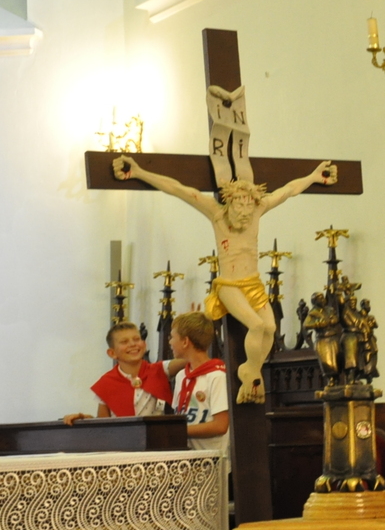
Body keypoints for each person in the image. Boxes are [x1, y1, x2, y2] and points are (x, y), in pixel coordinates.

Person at [111, 154, 337, 402]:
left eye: (249, 206)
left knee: (270, 328)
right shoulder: (216, 214)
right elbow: (178, 189)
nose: (245, 212)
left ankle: (251, 370)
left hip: (253, 284)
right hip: (229, 284)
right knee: (257, 325)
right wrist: (139, 172)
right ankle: (251, 372)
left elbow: (288, 190)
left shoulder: (257, 210)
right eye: (239, 206)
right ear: (229, 202)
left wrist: (313, 177)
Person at [64, 322, 174, 425]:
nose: (132, 344)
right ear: (112, 353)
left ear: (144, 345)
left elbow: (184, 360)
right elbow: (103, 425)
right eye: (124, 342)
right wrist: (85, 419)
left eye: (136, 339)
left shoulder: (161, 369)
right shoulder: (106, 383)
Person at [168, 312, 230, 453]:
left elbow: (220, 426)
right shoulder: (181, 376)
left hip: (212, 456)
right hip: (184, 454)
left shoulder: (217, 376)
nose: (170, 342)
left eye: (172, 337)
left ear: (185, 342)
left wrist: (177, 430)